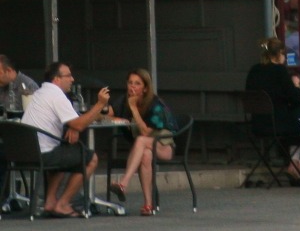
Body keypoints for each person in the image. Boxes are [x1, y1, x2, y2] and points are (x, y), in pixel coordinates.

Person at [22, 60, 111, 217]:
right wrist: (99, 104)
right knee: (91, 159)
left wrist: (72, 126)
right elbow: (79, 125)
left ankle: (50, 202)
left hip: (27, 153)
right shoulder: (57, 95)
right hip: (43, 154)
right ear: (57, 79)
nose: (72, 79)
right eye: (68, 76)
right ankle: (62, 203)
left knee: (65, 151)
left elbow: (73, 123)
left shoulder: (41, 92)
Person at [244, 39, 300, 184]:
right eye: (284, 54)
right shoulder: (279, 71)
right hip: (279, 123)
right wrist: (296, 84)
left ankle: (292, 167)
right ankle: (298, 169)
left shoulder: (254, 70)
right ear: (279, 54)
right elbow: (295, 98)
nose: (285, 57)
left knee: (299, 127)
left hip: (258, 123)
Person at [107, 67, 182, 215]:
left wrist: (134, 108)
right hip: (146, 149)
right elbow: (107, 114)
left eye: (137, 83)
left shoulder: (156, 104)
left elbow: (146, 132)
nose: (132, 86)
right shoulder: (123, 100)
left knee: (142, 140)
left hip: (163, 146)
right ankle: (149, 205)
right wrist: (107, 111)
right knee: (146, 156)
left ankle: (123, 183)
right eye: (130, 83)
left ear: (146, 88)